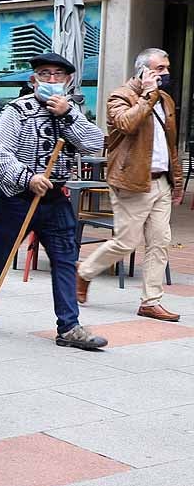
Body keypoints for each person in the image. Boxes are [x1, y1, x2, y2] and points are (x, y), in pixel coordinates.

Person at [0, 52, 107, 349]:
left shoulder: (73, 112)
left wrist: (68, 115)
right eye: (45, 74)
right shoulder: (16, 110)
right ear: (33, 79)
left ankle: (69, 326)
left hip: (55, 198)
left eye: (58, 75)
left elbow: (96, 143)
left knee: (65, 259)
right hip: (17, 197)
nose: (52, 80)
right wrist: (28, 177)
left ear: (68, 81)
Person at [76, 48, 183, 321]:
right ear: (143, 71)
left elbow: (170, 146)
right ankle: (84, 272)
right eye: (159, 68)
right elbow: (126, 124)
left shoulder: (167, 101)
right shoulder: (121, 96)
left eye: (166, 68)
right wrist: (147, 95)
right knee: (126, 242)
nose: (166, 73)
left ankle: (150, 301)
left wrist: (178, 183)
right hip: (131, 181)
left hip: (161, 182)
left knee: (160, 241)